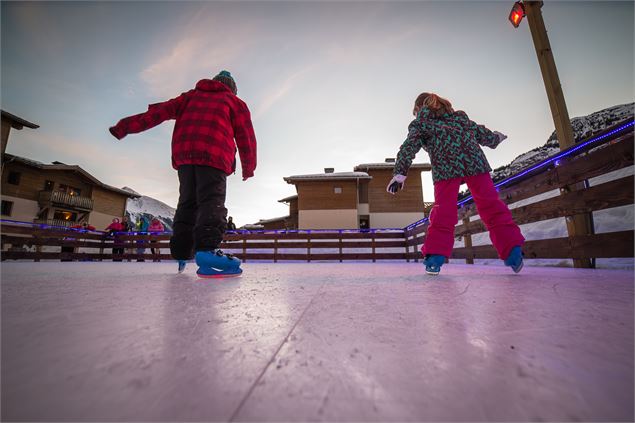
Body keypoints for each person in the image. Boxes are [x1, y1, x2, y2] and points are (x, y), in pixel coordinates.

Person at [109, 70, 256, 277]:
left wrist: (124, 127)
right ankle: (207, 250)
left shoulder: (189, 97)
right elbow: (246, 136)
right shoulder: (234, 102)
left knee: (187, 202)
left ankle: (181, 252)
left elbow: (157, 113)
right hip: (214, 154)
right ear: (231, 88)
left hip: (185, 155)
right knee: (211, 201)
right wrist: (248, 167)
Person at [388, 92, 525, 275]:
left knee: (444, 210)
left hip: (446, 168)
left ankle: (435, 257)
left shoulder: (421, 123)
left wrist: (400, 173)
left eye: (415, 112)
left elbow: (408, 147)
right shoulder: (460, 119)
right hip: (475, 164)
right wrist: (495, 138)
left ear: (419, 109)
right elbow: (482, 134)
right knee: (491, 205)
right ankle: (513, 253)